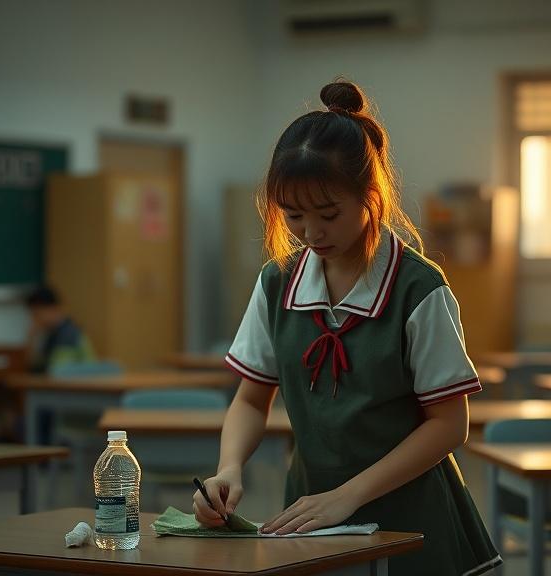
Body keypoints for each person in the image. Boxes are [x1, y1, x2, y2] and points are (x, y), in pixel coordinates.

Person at [194, 80, 501, 575]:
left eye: (328, 214)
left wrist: (348, 496)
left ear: (370, 196)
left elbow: (449, 424)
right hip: (311, 514)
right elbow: (252, 399)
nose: (311, 233)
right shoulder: (278, 283)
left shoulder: (418, 288)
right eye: (293, 215)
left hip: (412, 516)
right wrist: (229, 468)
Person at [24, 286, 95, 373]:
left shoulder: (69, 333)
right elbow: (33, 366)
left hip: (76, 384)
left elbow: (56, 370)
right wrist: (31, 340)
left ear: (53, 309)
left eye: (37, 314)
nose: (34, 319)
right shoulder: (49, 334)